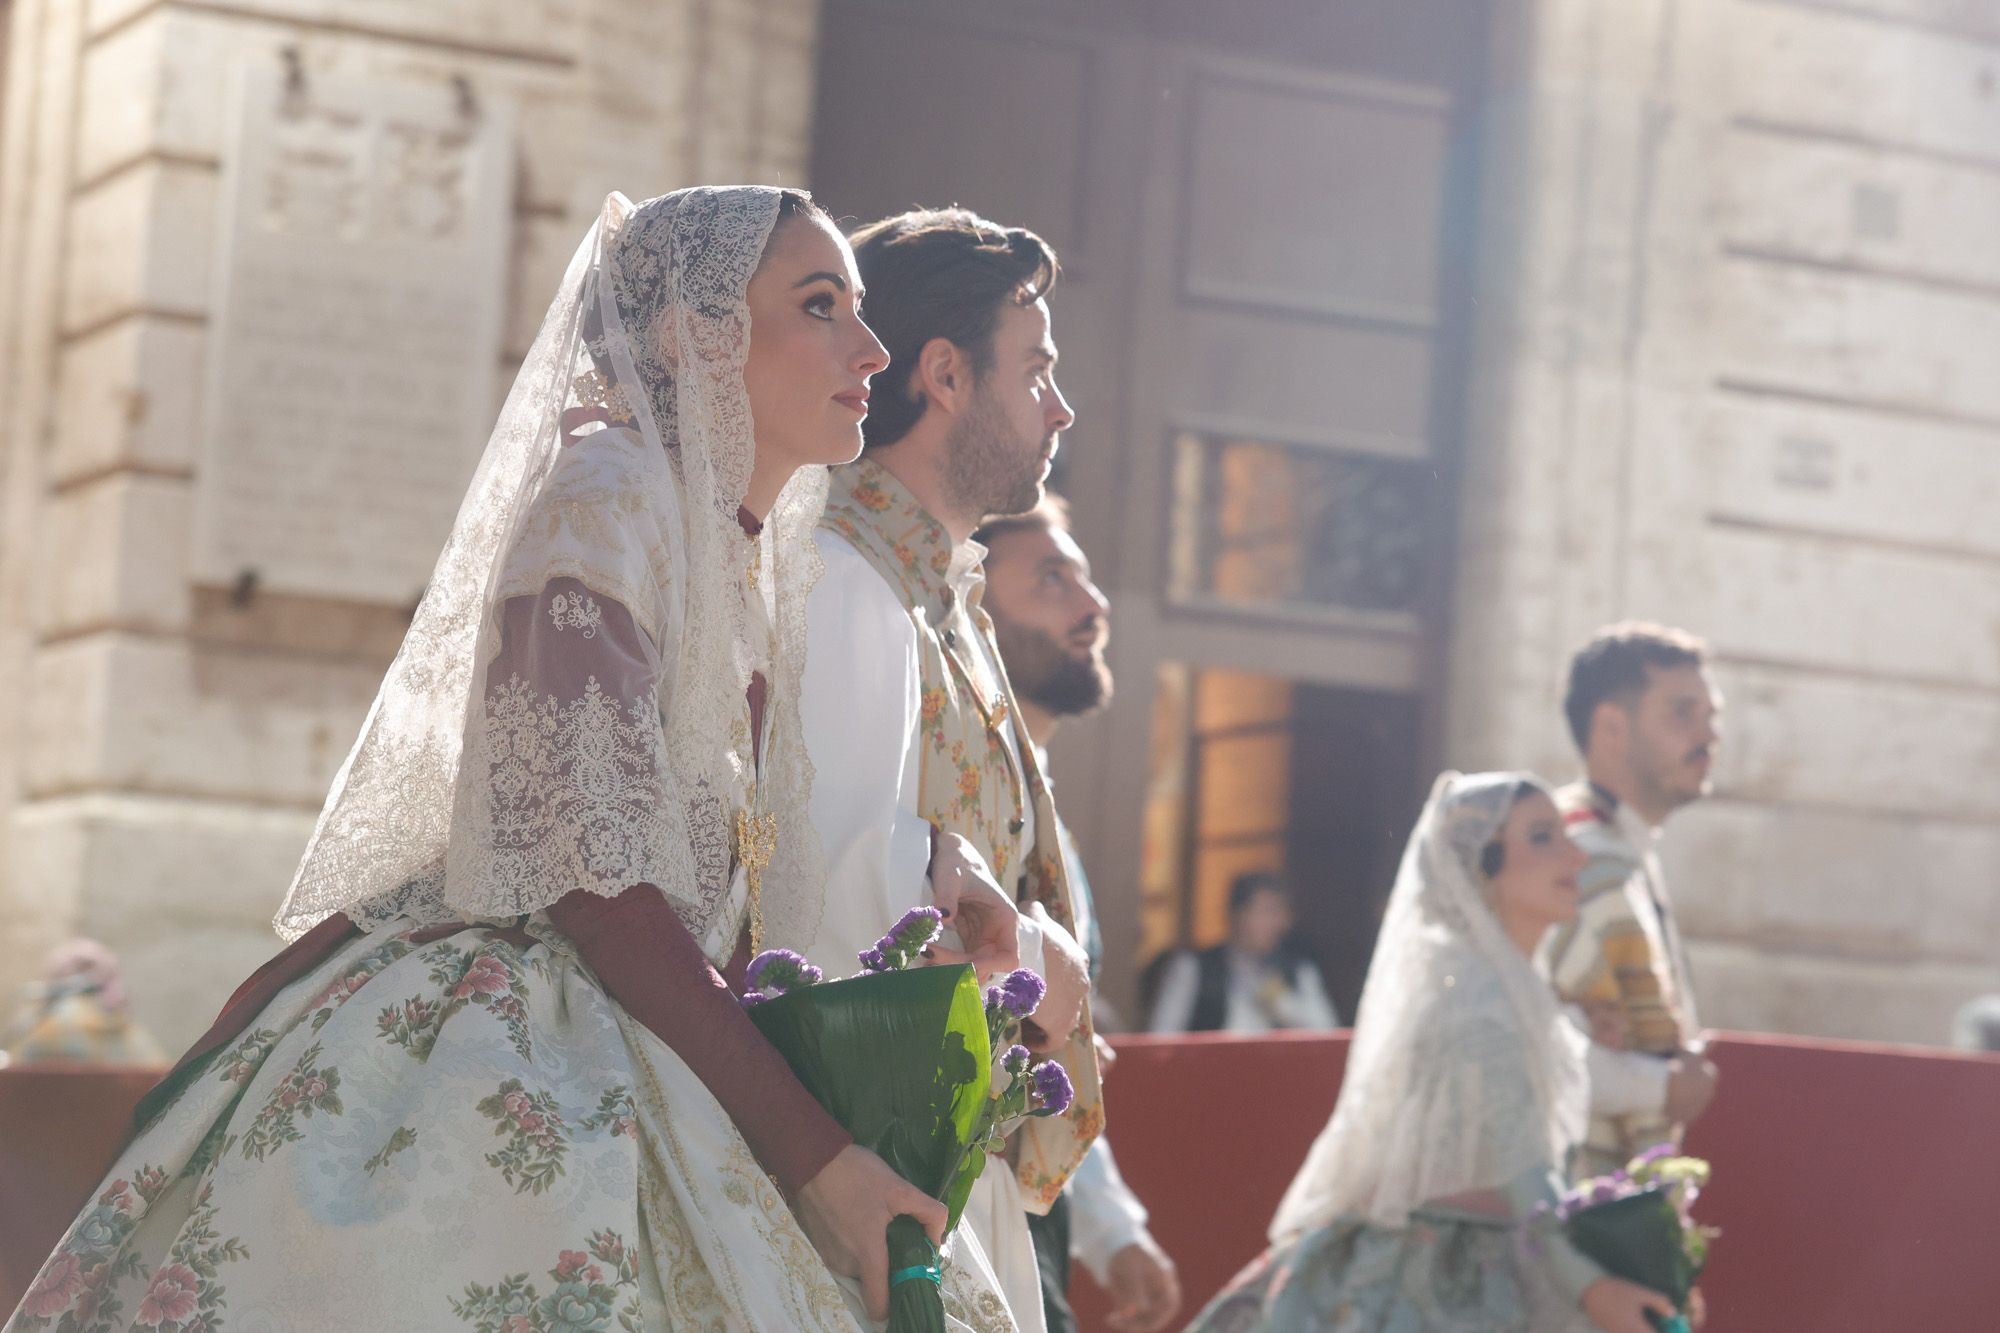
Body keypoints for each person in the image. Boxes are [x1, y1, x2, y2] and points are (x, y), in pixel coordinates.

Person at [7, 186, 1023, 1332]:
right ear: (692, 337)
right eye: (820, 305)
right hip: (522, 1033)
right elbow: (594, 885)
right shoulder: (605, 499)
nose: (872, 349)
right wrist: (814, 1155)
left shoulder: (740, 558)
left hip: (659, 1022)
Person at [800, 206, 1102, 1333]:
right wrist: (1034, 955)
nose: (1059, 407)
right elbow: (822, 888)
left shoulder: (935, 587)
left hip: (943, 1154)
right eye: (1035, 370)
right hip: (869, 1168)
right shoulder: (841, 576)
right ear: (944, 376)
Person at [1187, 773, 1679, 1333]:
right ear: (1481, 866)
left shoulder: (1506, 986)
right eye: (1543, 837)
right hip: (1440, 1277)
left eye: (1566, 834)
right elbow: (1527, 1182)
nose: (1574, 853)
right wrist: (1592, 1287)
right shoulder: (1475, 999)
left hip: (1497, 1257)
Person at [978, 497, 1182, 1333]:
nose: (1093, 607)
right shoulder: (942, 793)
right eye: (1052, 580)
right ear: (971, 609)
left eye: (1087, 579)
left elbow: (1063, 1063)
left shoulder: (1050, 822)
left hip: (1033, 1229)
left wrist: (1112, 1229)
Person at [1546, 623, 1724, 1177]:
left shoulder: (1619, 848)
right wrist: (1663, 1086)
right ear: (1611, 727)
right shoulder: (1572, 860)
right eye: (1682, 713)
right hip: (1562, 1213)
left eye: (1711, 717)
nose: (1709, 736)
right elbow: (1526, 1050)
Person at [1146, 872, 1340, 1034]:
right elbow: (1162, 1040)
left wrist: (1280, 1002)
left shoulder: (1298, 971)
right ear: (1237, 915)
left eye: (1281, 914)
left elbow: (1327, 1034)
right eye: (1268, 912)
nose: (1279, 925)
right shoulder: (1192, 968)